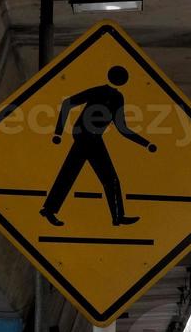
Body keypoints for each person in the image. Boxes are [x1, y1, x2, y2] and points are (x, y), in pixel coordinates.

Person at [40, 65, 156, 228]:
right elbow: (67, 103)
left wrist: (146, 143)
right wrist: (58, 132)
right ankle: (117, 217)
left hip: (93, 138)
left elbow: (122, 128)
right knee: (104, 178)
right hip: (84, 136)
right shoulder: (99, 91)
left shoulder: (117, 98)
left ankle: (50, 210)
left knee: (74, 173)